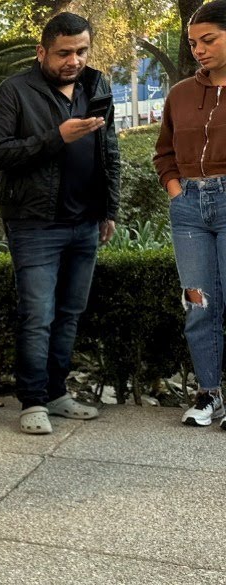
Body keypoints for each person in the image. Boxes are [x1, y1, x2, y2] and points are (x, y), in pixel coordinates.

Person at [0, 12, 119, 434]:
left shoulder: (97, 86)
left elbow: (109, 150)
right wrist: (57, 136)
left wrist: (109, 208)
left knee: (70, 313)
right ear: (42, 50)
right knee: (38, 314)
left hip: (86, 221)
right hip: (35, 223)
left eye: (81, 51)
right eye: (64, 53)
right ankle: (33, 401)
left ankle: (58, 394)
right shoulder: (14, 91)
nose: (73, 60)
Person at [155, 0, 226, 428]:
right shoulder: (180, 94)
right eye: (193, 42)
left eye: (209, 39)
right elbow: (164, 152)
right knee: (199, 303)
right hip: (189, 209)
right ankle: (209, 393)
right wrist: (176, 191)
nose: (199, 49)